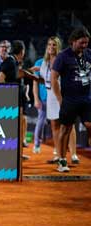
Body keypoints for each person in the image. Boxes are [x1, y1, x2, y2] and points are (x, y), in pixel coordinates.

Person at [51, 27, 91, 172]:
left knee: (89, 125)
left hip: (86, 99)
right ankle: (62, 161)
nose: (84, 46)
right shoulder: (63, 56)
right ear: (73, 41)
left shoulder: (89, 54)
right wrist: (60, 99)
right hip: (69, 99)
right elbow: (54, 78)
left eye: (86, 43)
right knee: (65, 129)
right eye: (82, 43)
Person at [37, 36, 79, 164]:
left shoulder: (63, 60)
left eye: (54, 45)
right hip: (50, 97)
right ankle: (58, 154)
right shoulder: (44, 63)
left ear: (58, 47)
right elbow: (45, 80)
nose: (51, 47)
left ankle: (73, 155)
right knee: (55, 126)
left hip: (63, 95)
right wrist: (33, 74)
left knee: (68, 125)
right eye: (49, 44)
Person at [0, 40, 39, 160]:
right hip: (11, 100)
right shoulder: (10, 61)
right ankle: (10, 154)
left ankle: (16, 154)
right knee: (13, 127)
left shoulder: (14, 62)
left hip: (16, 98)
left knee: (17, 126)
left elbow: (16, 75)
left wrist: (30, 71)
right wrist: (6, 97)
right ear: (22, 51)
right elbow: (0, 78)